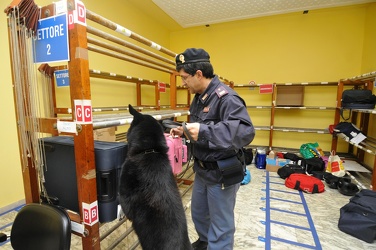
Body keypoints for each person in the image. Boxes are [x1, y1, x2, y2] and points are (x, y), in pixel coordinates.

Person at [170, 48, 255, 250]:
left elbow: (245, 131)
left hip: (221, 172)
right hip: (202, 170)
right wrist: (186, 132)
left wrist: (205, 132)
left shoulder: (226, 98)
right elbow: (201, 129)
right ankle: (205, 244)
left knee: (221, 225)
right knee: (199, 214)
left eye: (184, 78)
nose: (183, 83)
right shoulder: (199, 97)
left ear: (199, 74)